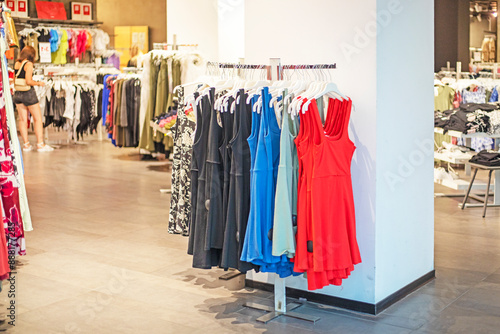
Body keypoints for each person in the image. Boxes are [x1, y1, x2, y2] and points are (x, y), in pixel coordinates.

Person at [13, 46, 53, 152]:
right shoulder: (28, 64)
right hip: (28, 93)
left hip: (17, 93)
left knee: (22, 119)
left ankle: (26, 145)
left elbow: (14, 79)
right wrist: (39, 83)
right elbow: (28, 81)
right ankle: (40, 144)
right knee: (37, 119)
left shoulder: (17, 63)